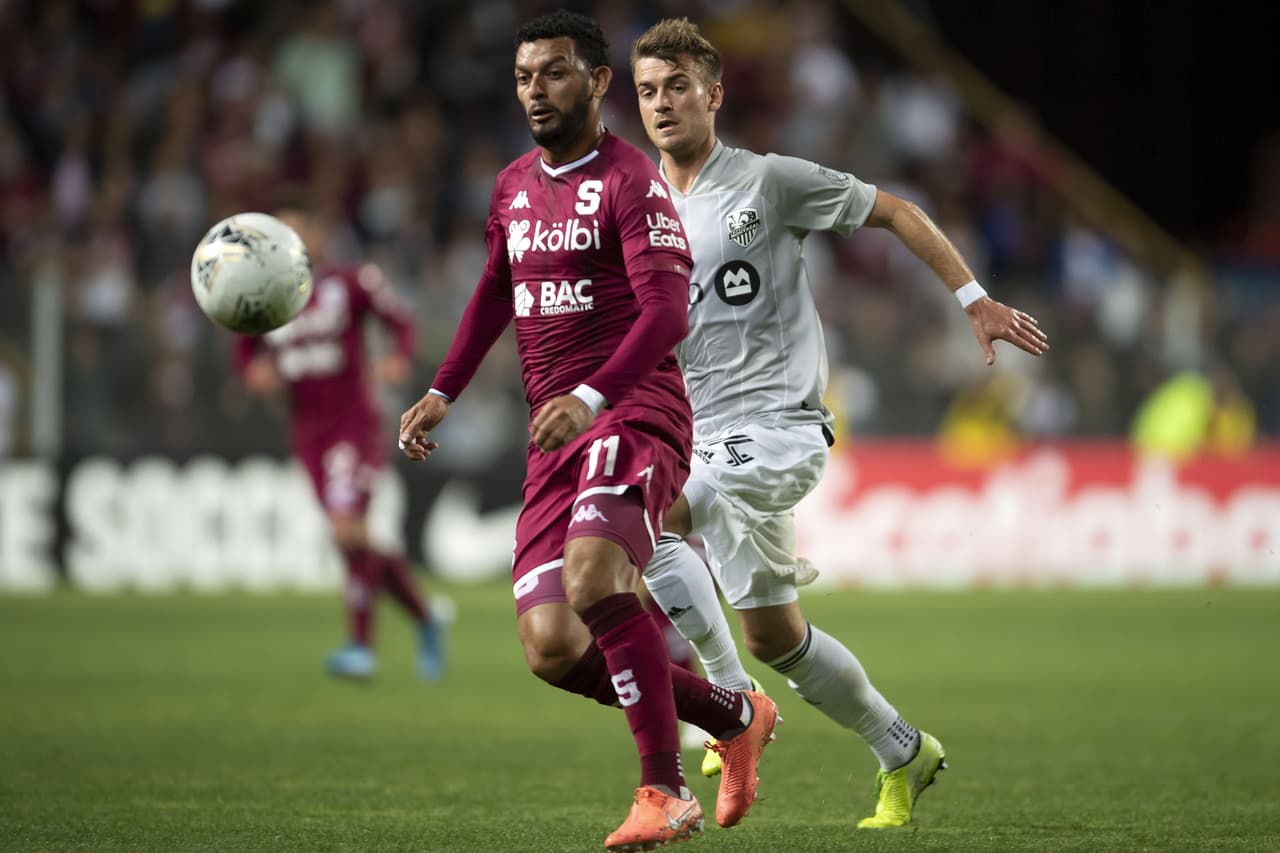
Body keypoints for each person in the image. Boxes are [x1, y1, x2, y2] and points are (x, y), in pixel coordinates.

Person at [629, 18, 1049, 829]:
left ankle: (732, 709)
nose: (662, 103)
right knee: (779, 639)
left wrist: (975, 299)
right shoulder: (638, 203)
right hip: (706, 433)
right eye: (648, 90)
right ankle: (903, 748)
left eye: (678, 85)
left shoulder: (769, 181)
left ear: (714, 95)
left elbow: (896, 212)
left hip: (779, 426)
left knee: (641, 513)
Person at [397, 11, 779, 850]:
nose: (537, 89)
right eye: (526, 75)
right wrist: (443, 388)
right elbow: (496, 290)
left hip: (635, 412)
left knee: (597, 576)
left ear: (600, 82)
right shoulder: (511, 187)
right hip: (558, 433)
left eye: (556, 72)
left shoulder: (632, 181)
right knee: (550, 644)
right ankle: (732, 712)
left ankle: (663, 790)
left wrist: (595, 396)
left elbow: (667, 312)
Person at [235, 205, 446, 682]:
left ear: (319, 232)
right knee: (353, 536)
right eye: (284, 229)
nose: (294, 237)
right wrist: (255, 372)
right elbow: (245, 350)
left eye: (301, 225)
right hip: (307, 434)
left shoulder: (351, 282)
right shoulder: (266, 296)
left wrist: (398, 358)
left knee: (346, 530)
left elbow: (402, 323)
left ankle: (360, 647)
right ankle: (426, 617)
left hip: (355, 424)